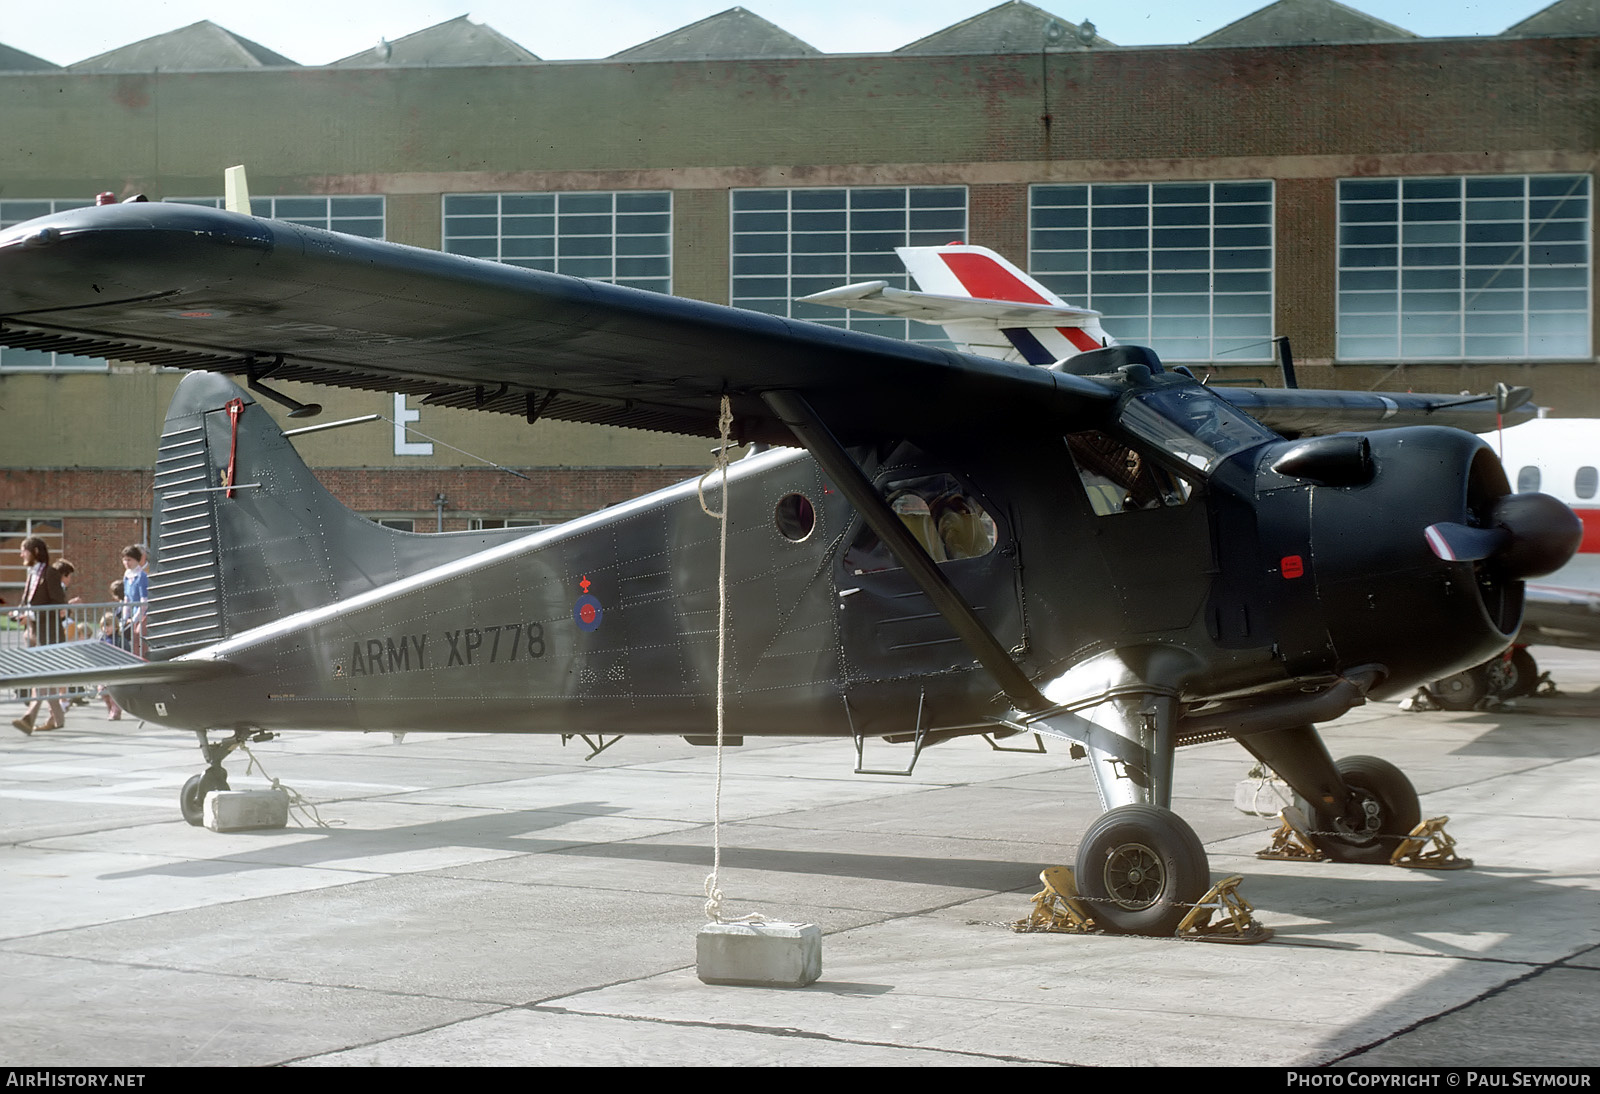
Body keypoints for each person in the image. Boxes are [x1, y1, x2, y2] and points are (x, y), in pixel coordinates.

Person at [10, 536, 68, 735]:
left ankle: (30, 716)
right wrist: (18, 614)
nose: (20, 555)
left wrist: (31, 613)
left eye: (23, 550)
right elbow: (28, 602)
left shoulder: (50, 573)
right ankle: (58, 719)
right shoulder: (32, 574)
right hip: (33, 633)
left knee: (42, 675)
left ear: (35, 551)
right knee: (43, 676)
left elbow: (59, 604)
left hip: (49, 634)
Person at [120, 545, 149, 653]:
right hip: (134, 612)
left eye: (129, 560)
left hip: (144, 613)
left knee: (139, 636)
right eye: (125, 560)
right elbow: (126, 598)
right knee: (134, 639)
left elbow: (144, 601)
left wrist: (135, 618)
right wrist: (125, 617)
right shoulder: (126, 575)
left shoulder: (142, 576)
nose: (127, 563)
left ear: (136, 560)